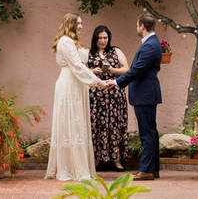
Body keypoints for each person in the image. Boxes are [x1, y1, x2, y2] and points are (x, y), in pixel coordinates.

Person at [45, 13, 111, 181]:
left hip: (78, 85)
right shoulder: (65, 41)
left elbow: (80, 66)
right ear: (71, 24)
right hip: (68, 85)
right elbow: (75, 66)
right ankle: (69, 168)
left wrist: (92, 73)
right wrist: (98, 82)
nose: (81, 26)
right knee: (70, 124)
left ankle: (78, 166)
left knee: (77, 123)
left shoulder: (73, 42)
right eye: (79, 23)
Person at [111, 13, 162, 181]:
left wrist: (116, 82)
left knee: (147, 133)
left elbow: (136, 70)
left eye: (137, 24)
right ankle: (152, 169)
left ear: (142, 26)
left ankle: (147, 170)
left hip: (145, 94)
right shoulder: (151, 43)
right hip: (146, 94)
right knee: (151, 133)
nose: (136, 28)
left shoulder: (150, 45)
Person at [87, 25, 129, 172]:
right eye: (100, 38)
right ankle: (96, 159)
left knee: (115, 126)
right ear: (95, 39)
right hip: (96, 97)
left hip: (114, 96)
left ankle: (117, 160)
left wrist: (112, 70)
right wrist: (93, 71)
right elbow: (80, 70)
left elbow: (126, 69)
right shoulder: (88, 53)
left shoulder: (116, 51)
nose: (103, 41)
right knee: (97, 127)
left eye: (105, 38)